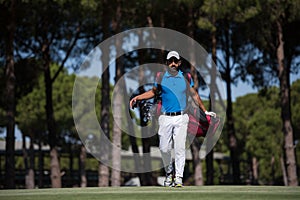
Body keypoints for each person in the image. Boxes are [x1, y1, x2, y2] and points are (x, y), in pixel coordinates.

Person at [129, 51, 216, 187]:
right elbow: (153, 92)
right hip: (165, 118)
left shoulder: (186, 77)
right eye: (171, 61)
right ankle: (169, 173)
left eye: (175, 61)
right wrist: (137, 97)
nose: (173, 64)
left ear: (179, 63)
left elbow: (195, 95)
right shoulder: (161, 77)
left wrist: (205, 111)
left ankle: (179, 178)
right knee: (164, 148)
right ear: (167, 63)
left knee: (180, 148)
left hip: (182, 117)